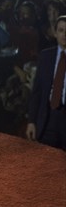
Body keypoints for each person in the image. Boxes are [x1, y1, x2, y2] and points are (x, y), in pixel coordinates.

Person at [26, 15, 66, 150]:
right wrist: (32, 121)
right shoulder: (45, 56)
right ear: (55, 33)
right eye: (61, 30)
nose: (64, 34)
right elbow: (36, 92)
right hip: (47, 118)